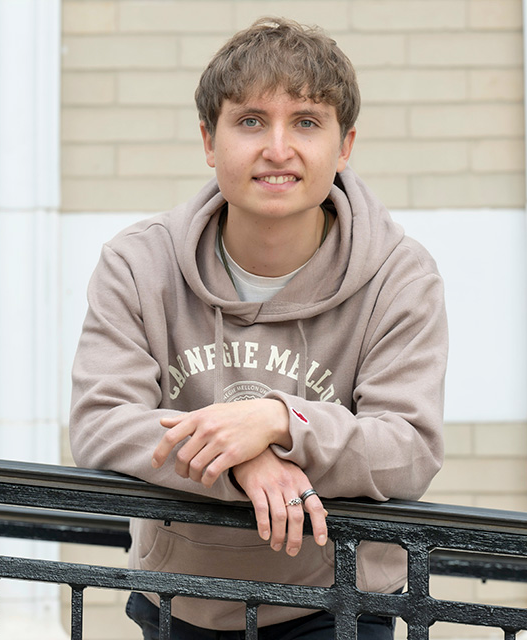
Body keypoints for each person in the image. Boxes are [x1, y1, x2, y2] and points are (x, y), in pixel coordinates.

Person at [69, 16, 448, 639]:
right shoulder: (138, 263)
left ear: (344, 144)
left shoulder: (398, 275)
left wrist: (279, 424)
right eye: (250, 121)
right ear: (209, 141)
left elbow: (408, 447)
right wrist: (242, 461)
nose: (278, 149)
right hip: (178, 599)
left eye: (306, 121)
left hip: (339, 607)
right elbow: (100, 422)